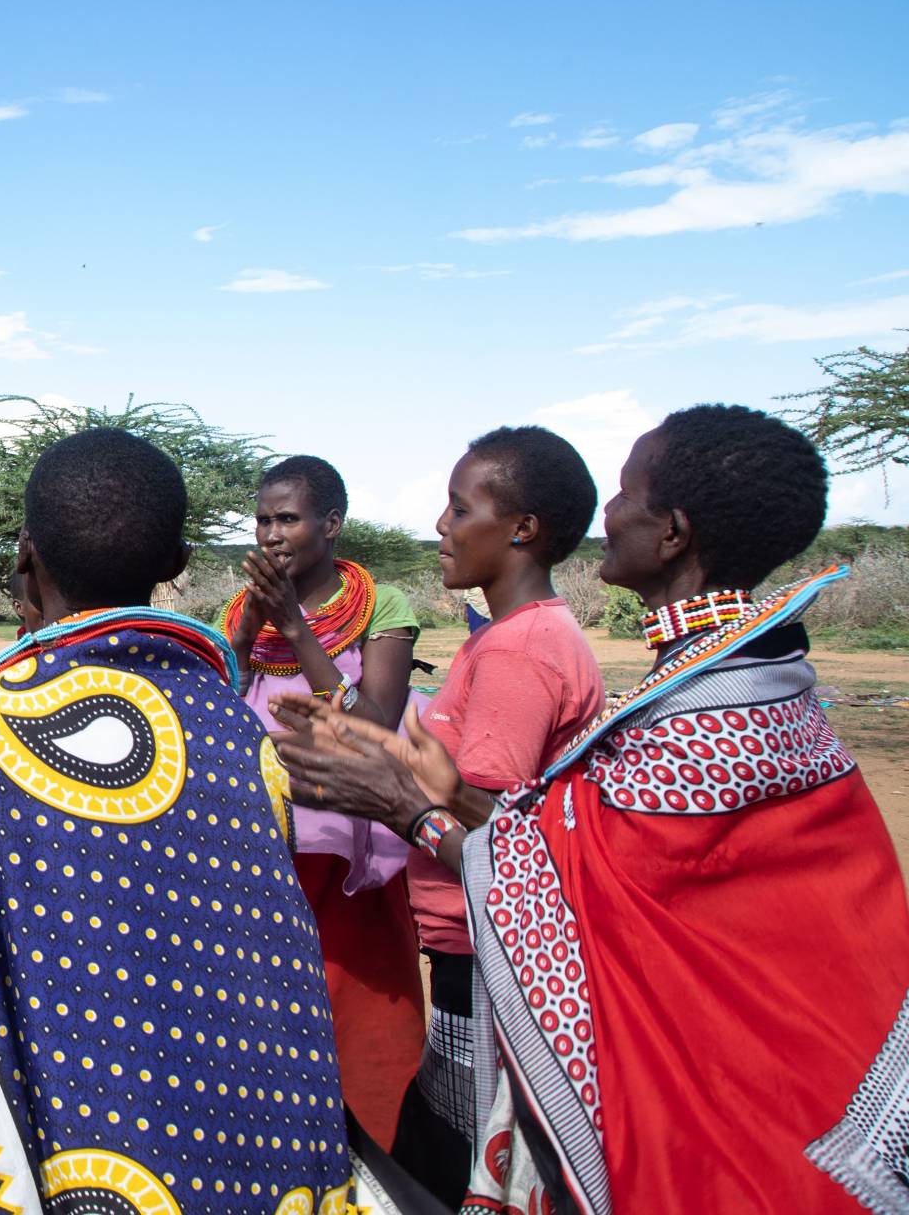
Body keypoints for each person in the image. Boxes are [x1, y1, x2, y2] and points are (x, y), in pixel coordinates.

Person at [275, 405, 909, 1212]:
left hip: (730, 1100)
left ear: (672, 532)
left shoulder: (708, 716)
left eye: (625, 494)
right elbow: (578, 837)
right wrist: (438, 785)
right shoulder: (729, 680)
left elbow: (574, 885)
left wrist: (411, 808)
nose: (607, 514)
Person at [0, 428, 426, 1214]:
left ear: (26, 554)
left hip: (87, 1146)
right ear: (178, 561)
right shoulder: (231, 727)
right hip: (257, 1151)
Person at [385, 426, 604, 1202]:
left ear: (522, 529)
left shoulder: (518, 653)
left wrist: (393, 801)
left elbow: (498, 832)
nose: (441, 525)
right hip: (473, 950)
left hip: (483, 958)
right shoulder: (510, 637)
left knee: (447, 1168)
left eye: (459, 507)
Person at [220, 455, 424, 1147]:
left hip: (350, 845)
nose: (271, 534)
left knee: (359, 1013)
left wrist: (295, 628)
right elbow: (217, 709)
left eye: (288, 518)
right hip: (264, 843)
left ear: (331, 524)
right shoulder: (241, 613)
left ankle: (380, 1154)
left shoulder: (382, 607)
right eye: (262, 520)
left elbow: (373, 725)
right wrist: (247, 631)